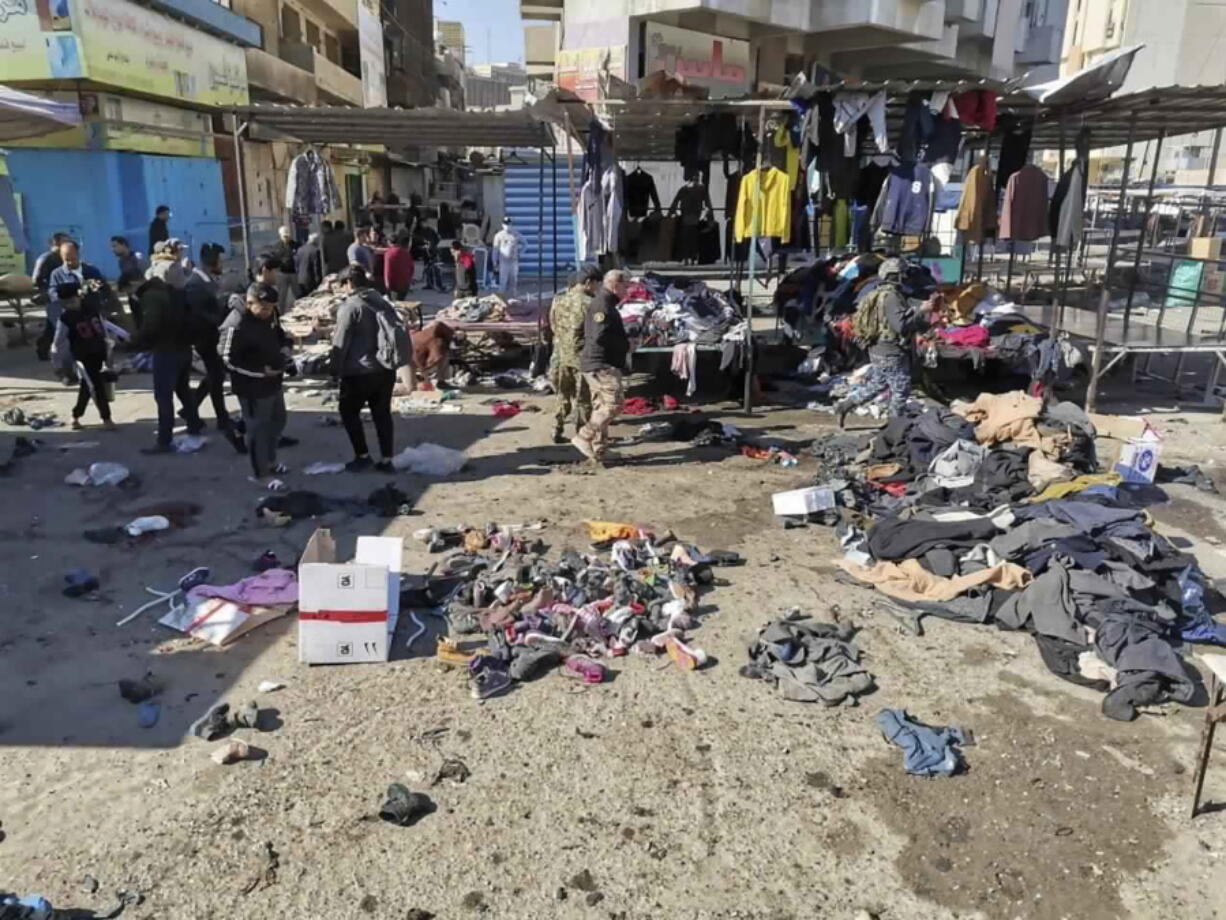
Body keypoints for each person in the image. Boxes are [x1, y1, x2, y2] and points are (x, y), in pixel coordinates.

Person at [331, 265, 409, 472]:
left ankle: (362, 456)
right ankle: (386, 460)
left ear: (348, 283)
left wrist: (334, 370)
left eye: (341, 286)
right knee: (382, 413)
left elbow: (341, 342)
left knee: (348, 412)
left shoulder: (351, 306)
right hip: (385, 368)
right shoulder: (381, 301)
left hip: (359, 371)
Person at [835, 257, 928, 428]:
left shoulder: (879, 293)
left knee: (878, 384)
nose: (905, 277)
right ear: (894, 275)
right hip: (890, 349)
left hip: (879, 347)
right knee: (901, 388)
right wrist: (922, 311)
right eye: (902, 274)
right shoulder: (891, 296)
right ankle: (894, 428)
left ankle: (844, 406)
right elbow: (901, 325)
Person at [130, 245, 204, 453]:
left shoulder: (154, 295)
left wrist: (134, 341)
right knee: (183, 390)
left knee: (164, 396)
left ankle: (164, 440)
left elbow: (151, 326)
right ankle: (194, 424)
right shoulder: (180, 292)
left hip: (166, 350)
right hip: (183, 348)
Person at [220, 282, 292, 489]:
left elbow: (278, 333)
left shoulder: (271, 314)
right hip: (251, 386)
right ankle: (261, 474)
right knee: (257, 430)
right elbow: (226, 358)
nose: (268, 312)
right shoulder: (236, 323)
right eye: (264, 308)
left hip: (274, 380)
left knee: (278, 421)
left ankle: (271, 461)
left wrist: (286, 347)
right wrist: (260, 371)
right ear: (250, 302)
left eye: (271, 308)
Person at [185, 242, 242, 452]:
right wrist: (224, 308)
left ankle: (192, 410)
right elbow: (202, 314)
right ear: (213, 261)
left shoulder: (205, 279)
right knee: (216, 375)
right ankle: (219, 418)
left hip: (210, 336)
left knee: (215, 375)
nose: (222, 264)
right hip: (204, 337)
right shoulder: (195, 284)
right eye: (220, 260)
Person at [572, 269, 630, 465]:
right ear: (615, 285)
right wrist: (626, 345)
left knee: (600, 406)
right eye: (625, 286)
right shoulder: (603, 304)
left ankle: (599, 449)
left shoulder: (605, 303)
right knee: (614, 404)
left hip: (598, 362)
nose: (627, 290)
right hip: (601, 364)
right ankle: (584, 436)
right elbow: (599, 335)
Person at [50, 280, 117, 431]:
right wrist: (58, 365)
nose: (70, 304)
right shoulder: (66, 318)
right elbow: (58, 342)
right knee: (96, 386)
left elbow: (103, 329)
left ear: (79, 296)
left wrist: (109, 351)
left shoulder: (92, 309)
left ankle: (75, 416)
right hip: (83, 356)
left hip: (99, 351)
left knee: (88, 386)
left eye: (72, 300)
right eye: (66, 302)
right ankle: (106, 418)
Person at [549, 268, 600, 443]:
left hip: (562, 355)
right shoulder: (591, 303)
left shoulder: (560, 300)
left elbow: (553, 325)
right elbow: (597, 332)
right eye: (595, 284)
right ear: (588, 283)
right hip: (582, 358)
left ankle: (556, 428)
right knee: (584, 399)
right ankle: (582, 435)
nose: (596, 288)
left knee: (563, 394)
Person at [32, 232, 71, 359]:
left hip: (64, 295)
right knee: (60, 324)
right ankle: (61, 353)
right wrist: (48, 290)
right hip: (53, 297)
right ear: (56, 243)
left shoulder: (64, 257)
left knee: (53, 325)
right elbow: (37, 279)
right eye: (65, 241)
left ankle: (43, 347)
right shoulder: (47, 258)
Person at [410, 321, 455, 389]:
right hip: (410, 353)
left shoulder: (437, 339)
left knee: (443, 357)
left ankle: (440, 381)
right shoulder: (421, 344)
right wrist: (426, 378)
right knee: (411, 386)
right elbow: (418, 359)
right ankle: (429, 381)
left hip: (426, 347)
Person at [492, 217, 525, 297]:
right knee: (502, 282)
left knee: (513, 282)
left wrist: (520, 253)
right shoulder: (498, 236)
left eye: (509, 224)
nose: (507, 226)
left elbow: (525, 244)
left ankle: (513, 299)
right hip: (503, 262)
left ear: (511, 225)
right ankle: (501, 300)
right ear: (502, 225)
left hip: (513, 262)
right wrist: (495, 261)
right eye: (506, 224)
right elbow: (495, 250)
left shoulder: (516, 234)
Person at [270, 226, 299, 310]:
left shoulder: (295, 245)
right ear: (280, 235)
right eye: (284, 236)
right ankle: (281, 313)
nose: (286, 238)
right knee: (282, 296)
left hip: (294, 273)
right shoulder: (277, 246)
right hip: (282, 273)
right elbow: (274, 259)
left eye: (287, 236)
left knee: (298, 294)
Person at [383, 230, 415, 299]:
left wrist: (387, 284)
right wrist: (409, 279)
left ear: (388, 242)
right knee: (401, 302)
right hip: (405, 284)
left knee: (395, 305)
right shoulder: (405, 252)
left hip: (394, 285)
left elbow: (387, 270)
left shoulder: (389, 253)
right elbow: (411, 267)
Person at [413, 220, 443, 292]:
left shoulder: (430, 230)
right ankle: (430, 283)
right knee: (428, 268)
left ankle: (438, 284)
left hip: (432, 251)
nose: (424, 224)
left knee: (435, 267)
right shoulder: (421, 231)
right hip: (426, 252)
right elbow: (417, 240)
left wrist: (432, 245)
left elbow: (437, 238)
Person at [295, 231, 323, 296]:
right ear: (315, 241)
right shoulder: (315, 250)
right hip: (311, 280)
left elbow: (296, 264)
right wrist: (319, 280)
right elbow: (316, 267)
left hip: (301, 279)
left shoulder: (300, 249)